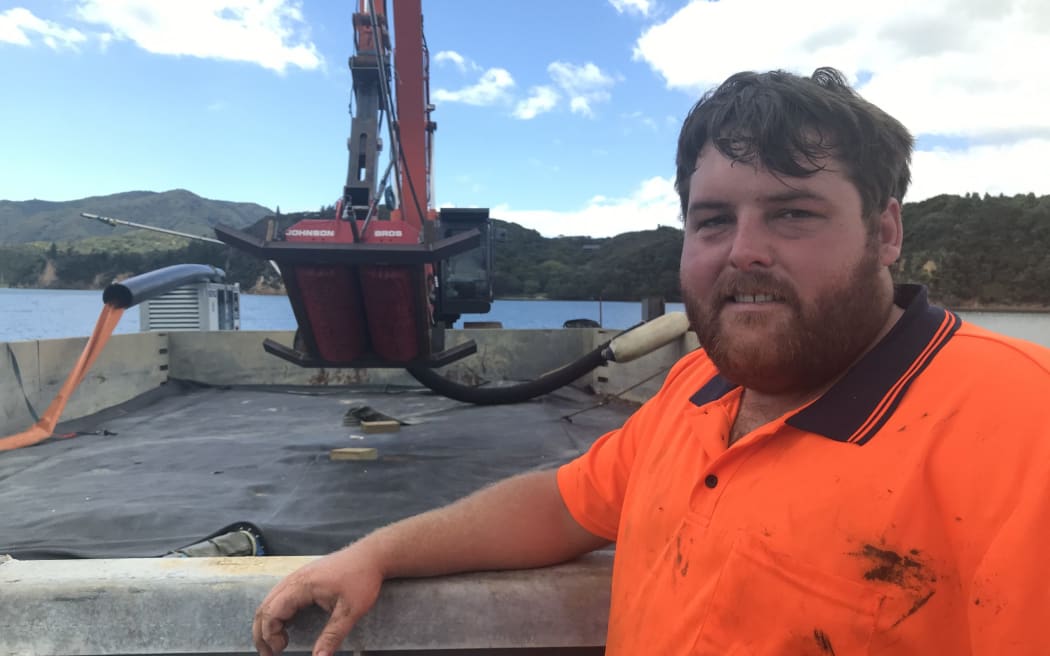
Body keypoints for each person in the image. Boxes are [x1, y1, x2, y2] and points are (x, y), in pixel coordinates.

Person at [253, 67, 1050, 656]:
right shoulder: (697, 388)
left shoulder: (1019, 429)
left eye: (794, 214)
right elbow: (564, 507)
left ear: (885, 232)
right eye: (712, 221)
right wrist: (375, 553)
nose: (745, 252)